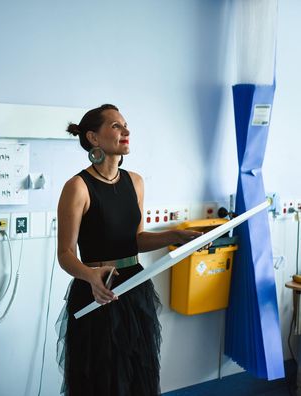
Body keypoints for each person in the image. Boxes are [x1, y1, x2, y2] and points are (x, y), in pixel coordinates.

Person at [56, 104, 202, 396]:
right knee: (102, 380)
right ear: (94, 138)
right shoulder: (78, 187)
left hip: (134, 288)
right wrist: (91, 275)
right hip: (99, 292)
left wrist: (174, 235)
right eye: (115, 126)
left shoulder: (135, 182)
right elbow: (65, 254)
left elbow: (136, 241)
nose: (126, 131)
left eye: (125, 125)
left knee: (137, 377)